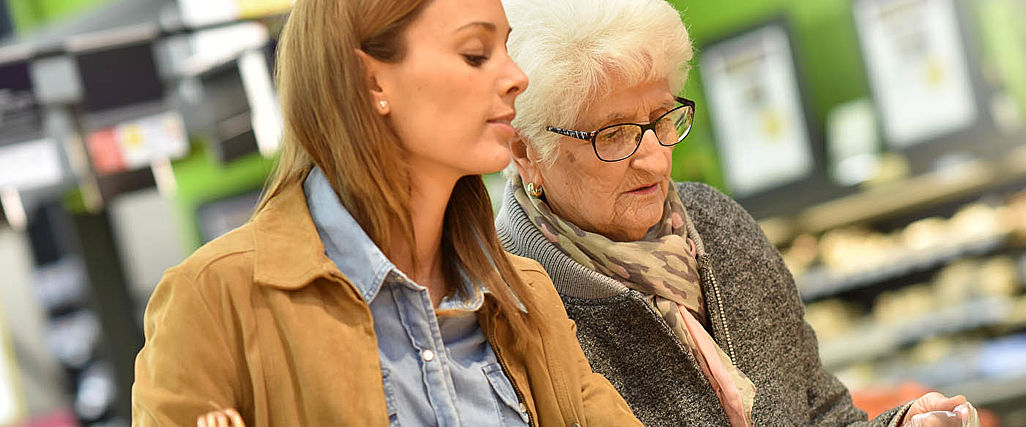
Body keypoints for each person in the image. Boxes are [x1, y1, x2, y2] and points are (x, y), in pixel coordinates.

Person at [131, 0, 640, 425]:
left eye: (506, 47)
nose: (516, 76)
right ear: (371, 81)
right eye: (475, 53)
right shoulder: (215, 302)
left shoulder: (523, 292)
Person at [495, 0, 967, 425]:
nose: (656, 158)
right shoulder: (509, 309)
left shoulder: (719, 226)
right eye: (614, 134)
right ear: (526, 150)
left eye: (662, 118)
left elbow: (822, 412)